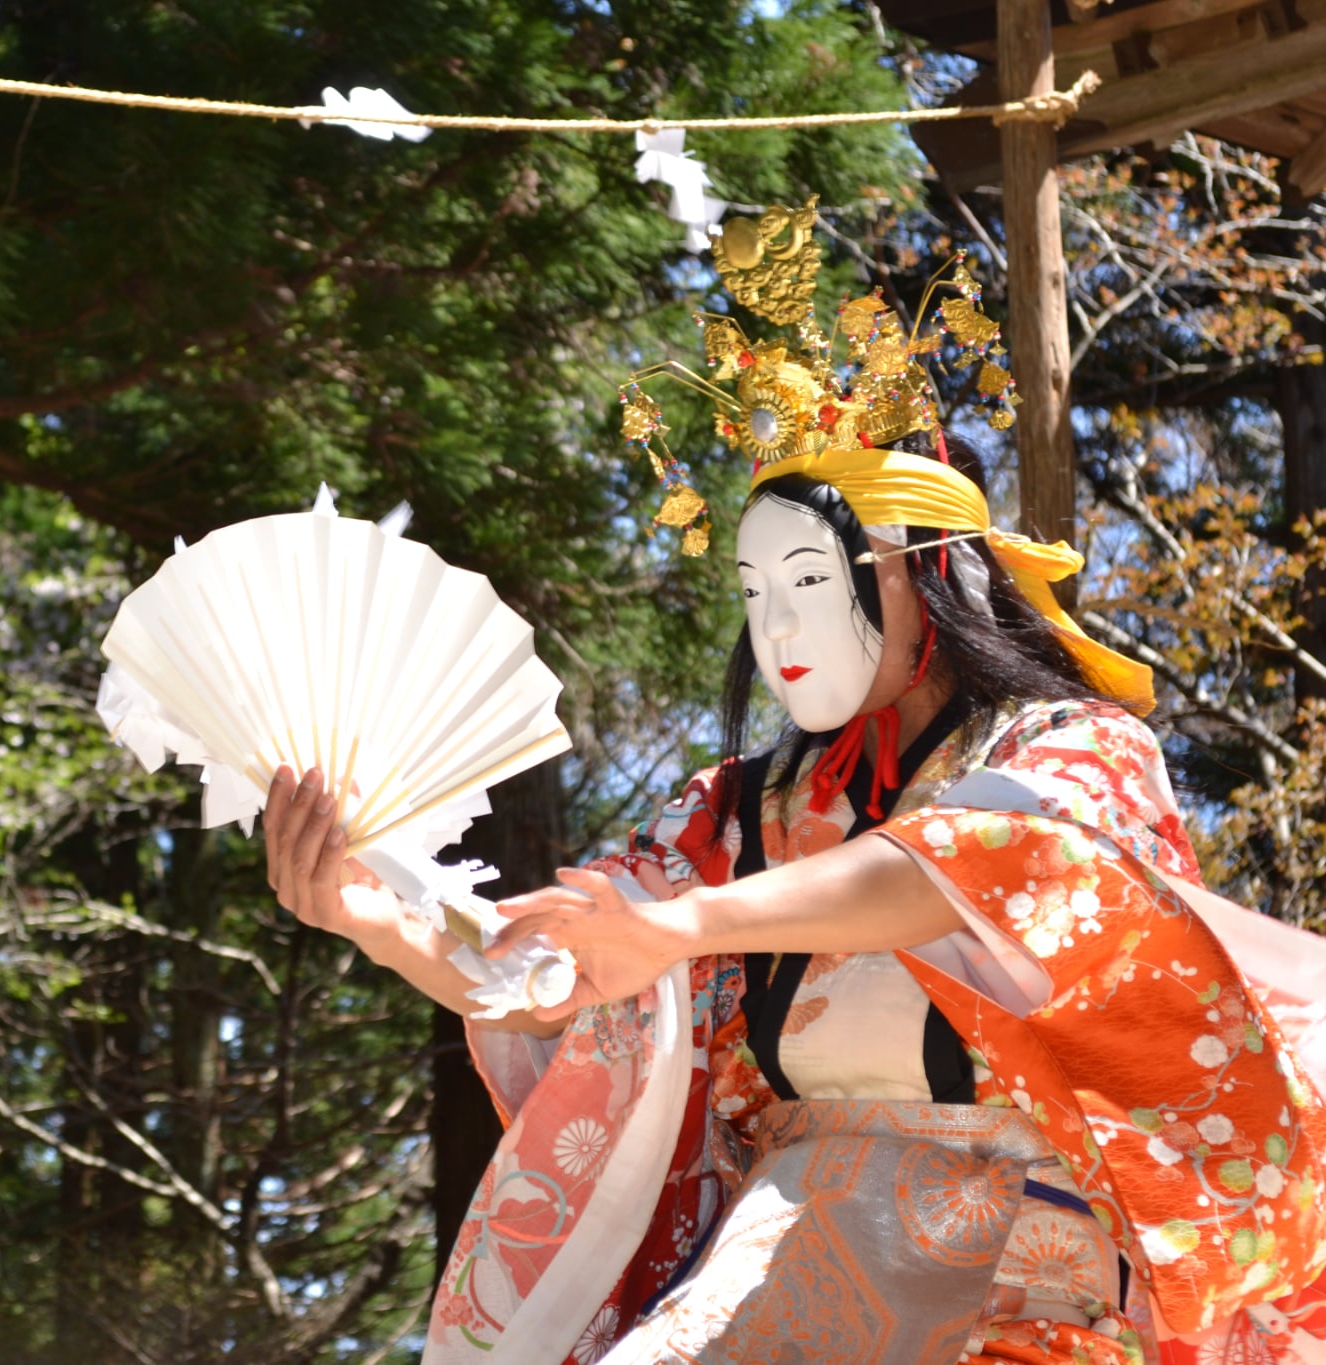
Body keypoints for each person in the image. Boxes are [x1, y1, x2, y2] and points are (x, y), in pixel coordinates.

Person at [261, 357, 1326, 1359]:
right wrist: (375, 918)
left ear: (931, 572)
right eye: (750, 589)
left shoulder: (1072, 751)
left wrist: (682, 927)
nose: (775, 628)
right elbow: (555, 970)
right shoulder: (731, 810)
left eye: (809, 578)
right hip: (785, 1236)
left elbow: (958, 865)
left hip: (1024, 1257)